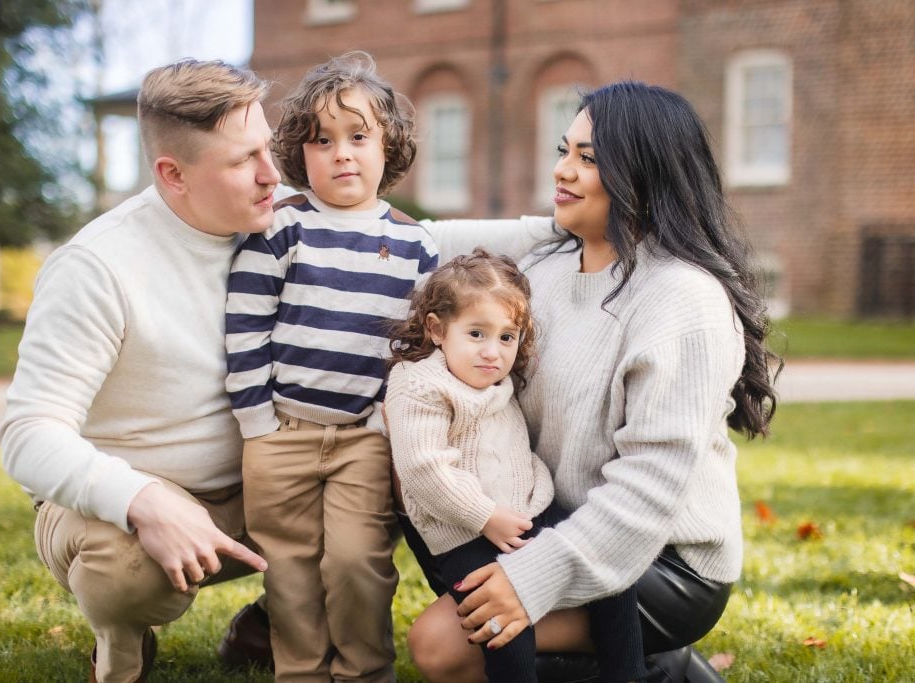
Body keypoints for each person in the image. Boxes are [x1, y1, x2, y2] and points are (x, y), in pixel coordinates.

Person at [402, 80, 780, 682]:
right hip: (552, 522)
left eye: (588, 158)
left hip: (661, 559)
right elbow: (423, 241)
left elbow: (648, 490)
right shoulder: (542, 270)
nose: (563, 170)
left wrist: (530, 580)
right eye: (564, 150)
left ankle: (660, 668)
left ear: (643, 174)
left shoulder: (681, 298)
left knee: (444, 648)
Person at [0, 59, 281, 683]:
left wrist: (549, 224)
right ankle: (124, 650)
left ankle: (273, 622)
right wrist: (142, 498)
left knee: (394, 466)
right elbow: (27, 433)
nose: (272, 175)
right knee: (126, 575)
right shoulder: (97, 267)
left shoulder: (282, 227)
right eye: (243, 161)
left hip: (259, 493)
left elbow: (420, 239)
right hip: (125, 508)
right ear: (172, 174)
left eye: (269, 147)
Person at [224, 51, 438, 682]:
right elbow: (245, 328)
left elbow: (416, 348)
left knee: (356, 563)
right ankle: (301, 672)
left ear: (388, 147)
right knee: (288, 570)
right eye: (322, 141)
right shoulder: (281, 229)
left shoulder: (414, 243)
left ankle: (365, 672)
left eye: (359, 136)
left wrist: (381, 422)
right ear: (300, 153)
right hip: (280, 433)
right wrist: (257, 422)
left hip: (362, 440)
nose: (341, 153)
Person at [385, 249, 647, 683]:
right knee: (501, 618)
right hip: (467, 531)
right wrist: (485, 517)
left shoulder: (497, 380)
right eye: (476, 334)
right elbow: (425, 468)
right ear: (436, 329)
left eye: (507, 337)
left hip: (530, 510)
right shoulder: (419, 384)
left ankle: (630, 674)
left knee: (606, 569)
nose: (493, 352)